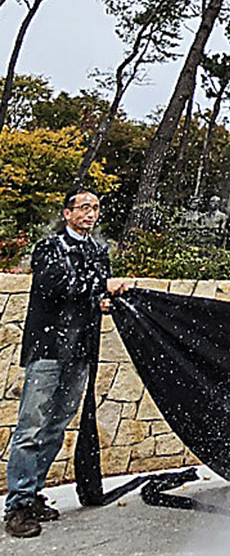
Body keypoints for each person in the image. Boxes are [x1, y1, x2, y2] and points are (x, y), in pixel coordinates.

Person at [4, 190, 127, 538]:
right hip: (47, 348)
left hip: (79, 351)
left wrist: (104, 300)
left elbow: (93, 294)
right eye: (84, 207)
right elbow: (57, 284)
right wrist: (101, 286)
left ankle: (33, 494)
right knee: (31, 426)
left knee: (57, 425)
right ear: (68, 212)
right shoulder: (49, 248)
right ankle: (17, 505)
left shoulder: (98, 251)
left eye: (96, 208)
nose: (91, 213)